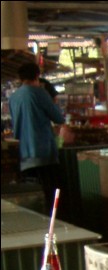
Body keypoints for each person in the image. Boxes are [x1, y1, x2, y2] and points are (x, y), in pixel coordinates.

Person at [9, 63, 65, 215]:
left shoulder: (13, 97)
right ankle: (54, 224)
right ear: (37, 75)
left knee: (33, 195)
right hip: (43, 151)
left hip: (24, 153)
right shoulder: (39, 93)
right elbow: (59, 118)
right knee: (50, 194)